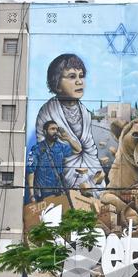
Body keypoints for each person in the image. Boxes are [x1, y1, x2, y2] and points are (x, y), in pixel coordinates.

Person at [34, 53, 105, 197]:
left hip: (88, 168)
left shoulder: (84, 111)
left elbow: (89, 147)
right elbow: (46, 151)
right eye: (72, 77)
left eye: (81, 76)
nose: (80, 82)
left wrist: (94, 171)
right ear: (57, 83)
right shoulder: (47, 112)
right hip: (60, 176)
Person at [26, 120, 79, 203]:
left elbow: (78, 150)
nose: (55, 132)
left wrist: (68, 138)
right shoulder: (37, 149)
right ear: (44, 132)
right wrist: (32, 195)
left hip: (59, 191)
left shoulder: (60, 147)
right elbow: (30, 172)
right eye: (52, 129)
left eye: (57, 129)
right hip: (43, 194)